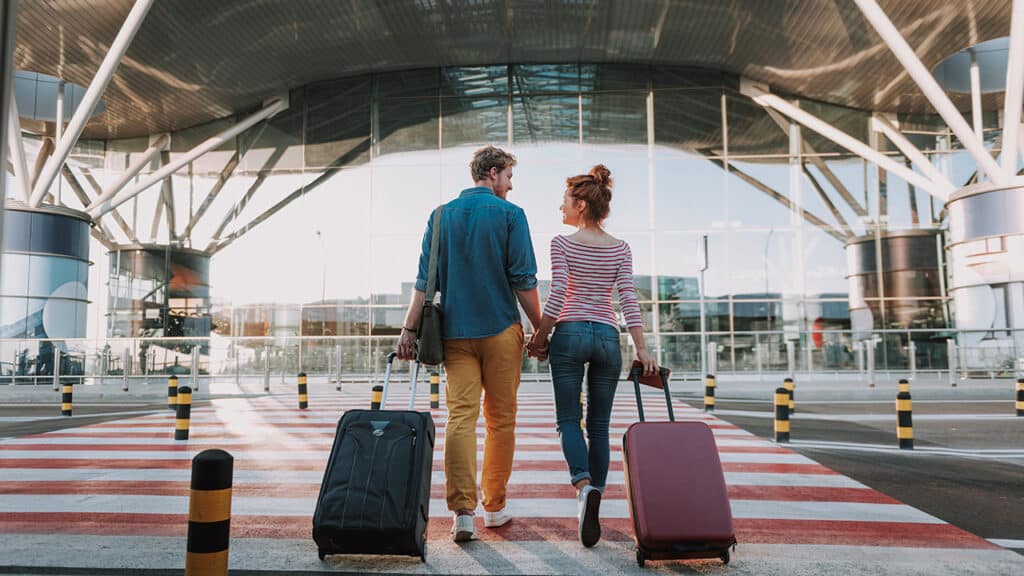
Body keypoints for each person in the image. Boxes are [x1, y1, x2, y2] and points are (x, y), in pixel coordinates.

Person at [396, 145, 543, 543]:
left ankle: (463, 512)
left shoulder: (440, 215)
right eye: (509, 177)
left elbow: (425, 281)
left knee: (461, 417)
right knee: (500, 421)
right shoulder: (511, 215)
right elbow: (523, 279)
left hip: (455, 335)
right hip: (500, 333)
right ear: (493, 173)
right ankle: (493, 507)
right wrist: (542, 328)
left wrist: (408, 331)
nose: (510, 186)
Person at [527, 164, 655, 548]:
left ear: (580, 205)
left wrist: (540, 335)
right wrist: (642, 348)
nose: (560, 208)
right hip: (606, 337)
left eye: (565, 201)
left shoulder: (562, 243)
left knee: (568, 419)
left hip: (569, 334)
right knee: (599, 425)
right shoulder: (621, 248)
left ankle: (583, 488)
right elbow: (628, 300)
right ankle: (595, 492)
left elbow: (559, 291)